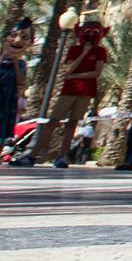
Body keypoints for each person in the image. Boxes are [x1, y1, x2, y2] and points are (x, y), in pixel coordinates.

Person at [36, 17, 109, 168]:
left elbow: (96, 72)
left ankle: (62, 156)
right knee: (53, 122)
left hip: (86, 91)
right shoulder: (74, 50)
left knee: (73, 123)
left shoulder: (101, 51)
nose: (91, 35)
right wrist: (84, 53)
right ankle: (34, 153)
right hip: (69, 90)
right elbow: (68, 69)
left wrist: (75, 76)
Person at [2, 18, 34, 162]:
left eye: (24, 37)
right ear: (4, 38)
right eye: (13, 35)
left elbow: (21, 82)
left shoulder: (21, 64)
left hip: (8, 102)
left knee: (3, 128)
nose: (18, 40)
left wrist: (15, 61)